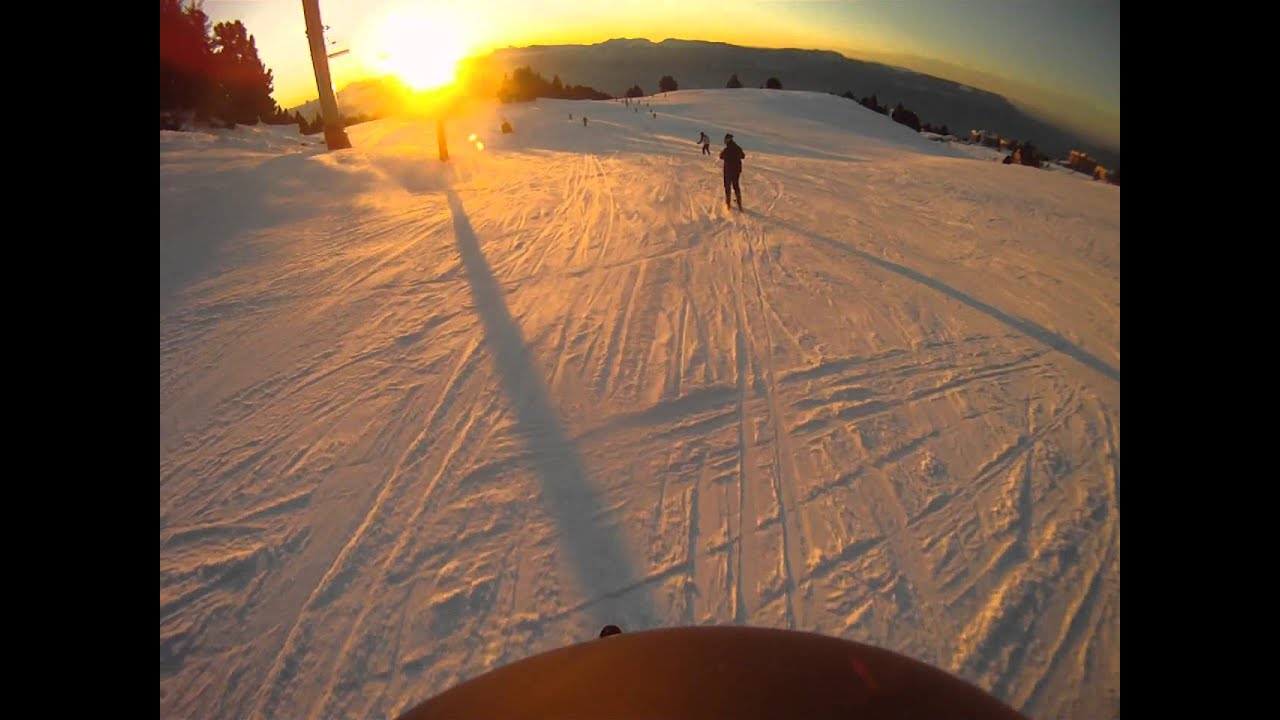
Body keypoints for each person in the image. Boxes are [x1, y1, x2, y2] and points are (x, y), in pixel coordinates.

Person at [719, 133, 745, 210]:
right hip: (736, 170)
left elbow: (721, 156)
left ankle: (728, 203)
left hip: (728, 170)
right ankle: (739, 203)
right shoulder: (737, 148)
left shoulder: (727, 149)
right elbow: (743, 156)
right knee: (736, 185)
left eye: (725, 139)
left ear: (728, 140)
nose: (724, 141)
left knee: (727, 186)